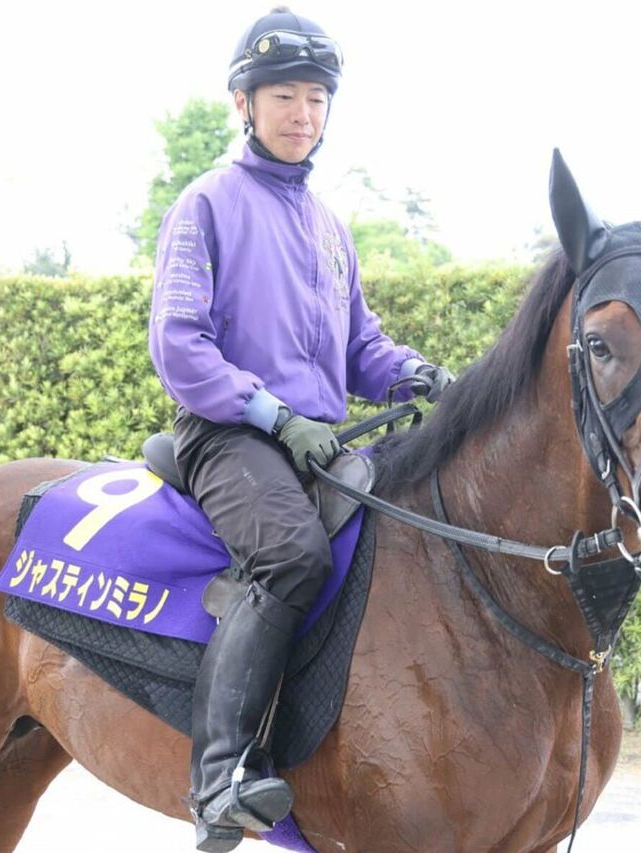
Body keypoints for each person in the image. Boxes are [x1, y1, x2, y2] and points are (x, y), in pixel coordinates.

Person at [147, 7, 454, 851]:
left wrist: (415, 372)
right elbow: (179, 344)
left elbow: (360, 347)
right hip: (229, 434)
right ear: (243, 103)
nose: (303, 114)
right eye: (284, 96)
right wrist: (274, 416)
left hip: (318, 440)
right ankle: (221, 778)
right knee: (292, 553)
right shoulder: (206, 204)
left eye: (317, 98)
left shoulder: (327, 225)